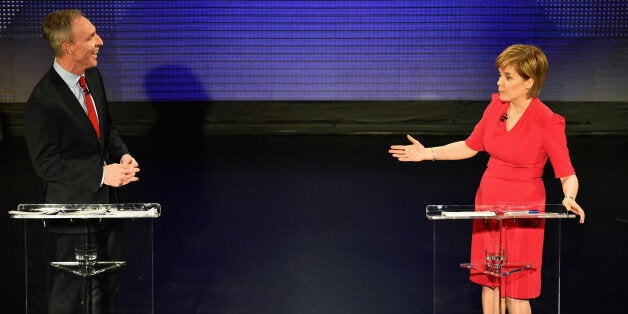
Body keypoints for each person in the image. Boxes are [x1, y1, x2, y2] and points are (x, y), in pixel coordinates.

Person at [388, 44, 585, 314]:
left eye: (507, 77)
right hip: (489, 199)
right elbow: (471, 146)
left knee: (517, 289)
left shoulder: (547, 121)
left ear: (529, 82)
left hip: (523, 208)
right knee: (490, 281)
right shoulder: (496, 106)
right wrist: (428, 153)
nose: (499, 82)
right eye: (500, 75)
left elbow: (567, 173)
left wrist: (569, 197)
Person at [24, 9, 140, 313]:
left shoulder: (93, 76)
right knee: (71, 291)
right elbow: (46, 164)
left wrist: (122, 155)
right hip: (73, 212)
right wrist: (102, 174)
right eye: (91, 37)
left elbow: (106, 129)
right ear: (68, 47)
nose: (100, 41)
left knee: (107, 284)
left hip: (107, 206)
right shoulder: (43, 100)